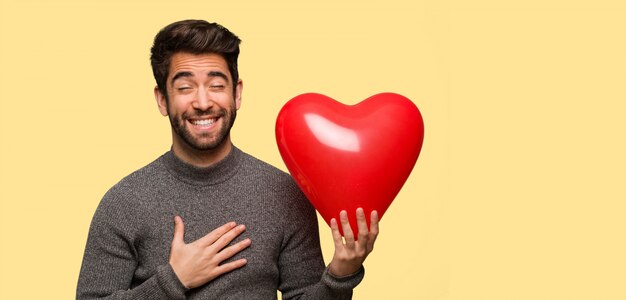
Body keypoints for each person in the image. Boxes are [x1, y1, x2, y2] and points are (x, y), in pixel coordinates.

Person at [76, 19, 379, 299]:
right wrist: (172, 281)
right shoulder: (124, 202)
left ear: (237, 94)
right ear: (161, 99)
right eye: (184, 87)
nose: (203, 102)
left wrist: (341, 273)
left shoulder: (284, 194)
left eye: (217, 85)